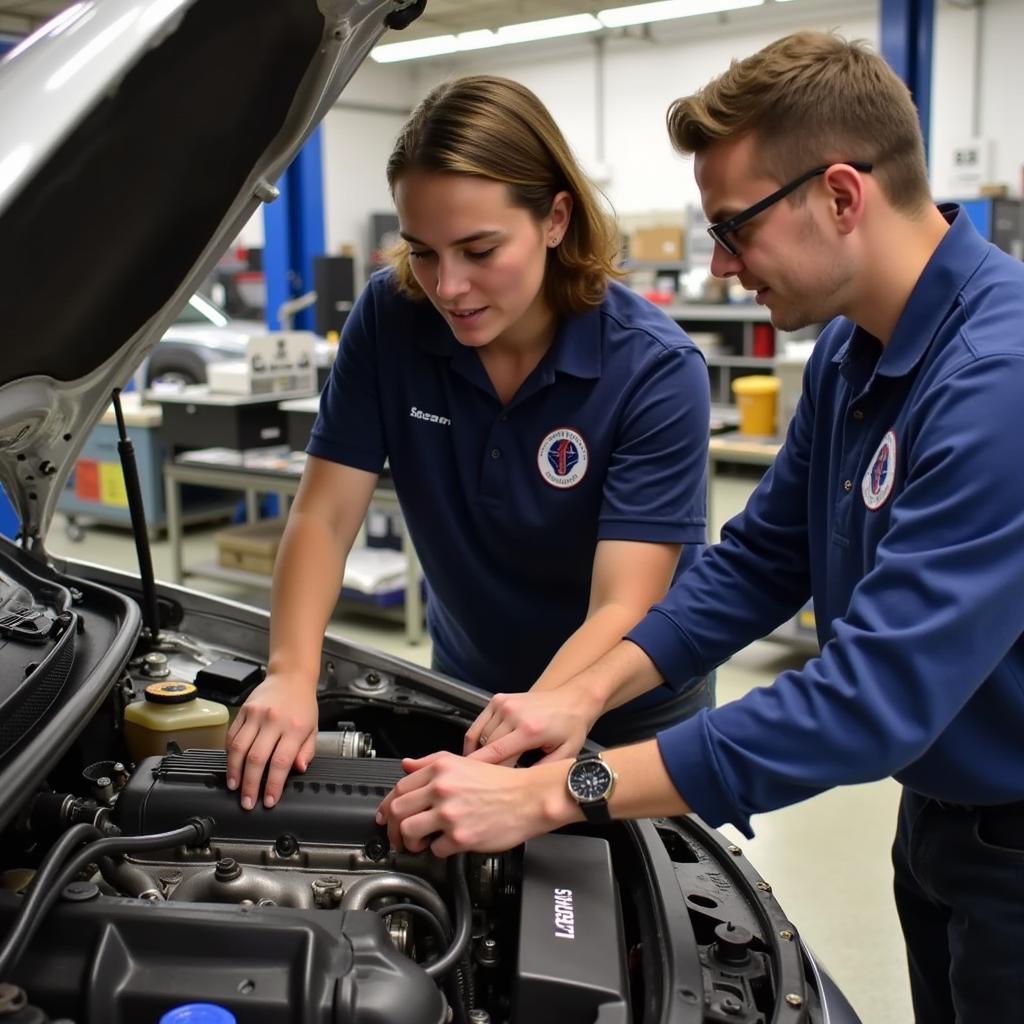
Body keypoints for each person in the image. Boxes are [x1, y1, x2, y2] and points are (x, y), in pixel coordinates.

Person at [379, 32, 1024, 1022]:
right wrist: (580, 695)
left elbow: (867, 700)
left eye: (735, 228)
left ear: (841, 196)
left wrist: (562, 788)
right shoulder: (858, 354)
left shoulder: (997, 381)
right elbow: (757, 563)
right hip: (943, 816)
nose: (720, 267)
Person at [225, 75, 712, 811]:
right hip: (464, 685)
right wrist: (292, 671)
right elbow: (323, 515)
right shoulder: (391, 319)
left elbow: (624, 603)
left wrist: (512, 745)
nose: (448, 286)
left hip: (629, 720)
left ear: (555, 218)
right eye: (423, 251)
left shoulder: (655, 369)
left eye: (479, 250)